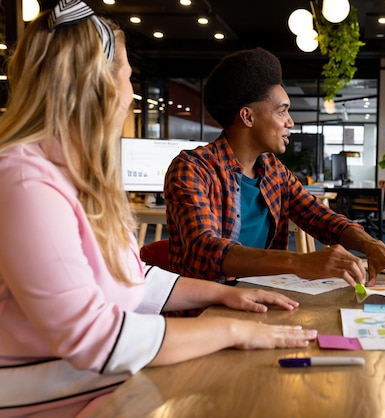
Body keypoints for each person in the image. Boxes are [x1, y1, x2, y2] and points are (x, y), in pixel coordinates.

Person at [0, 2, 317, 416]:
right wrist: (224, 329)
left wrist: (229, 294)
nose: (132, 94)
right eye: (129, 78)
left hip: (107, 392)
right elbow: (93, 337)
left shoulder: (73, 173)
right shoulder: (25, 180)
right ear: (100, 85)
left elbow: (131, 278)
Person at [164, 47, 385, 290]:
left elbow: (322, 218)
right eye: (282, 112)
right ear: (248, 117)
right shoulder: (192, 169)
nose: (291, 121)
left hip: (264, 298)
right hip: (206, 311)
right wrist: (299, 262)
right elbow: (205, 249)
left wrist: (372, 245)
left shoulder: (274, 172)